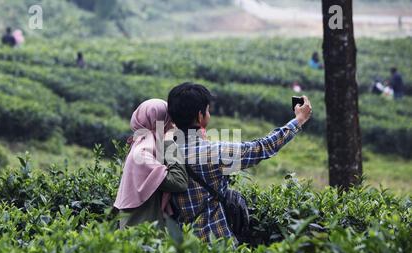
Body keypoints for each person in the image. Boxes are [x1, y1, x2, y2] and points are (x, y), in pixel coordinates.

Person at [167, 83, 312, 243]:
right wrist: (299, 120)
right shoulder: (212, 152)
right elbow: (261, 148)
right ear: (200, 116)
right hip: (217, 243)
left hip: (182, 246)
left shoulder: (164, 151)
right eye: (207, 110)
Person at [114, 99, 188, 229]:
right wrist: (169, 142)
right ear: (158, 122)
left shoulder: (148, 147)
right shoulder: (142, 153)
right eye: (169, 120)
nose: (173, 125)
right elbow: (179, 182)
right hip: (140, 233)